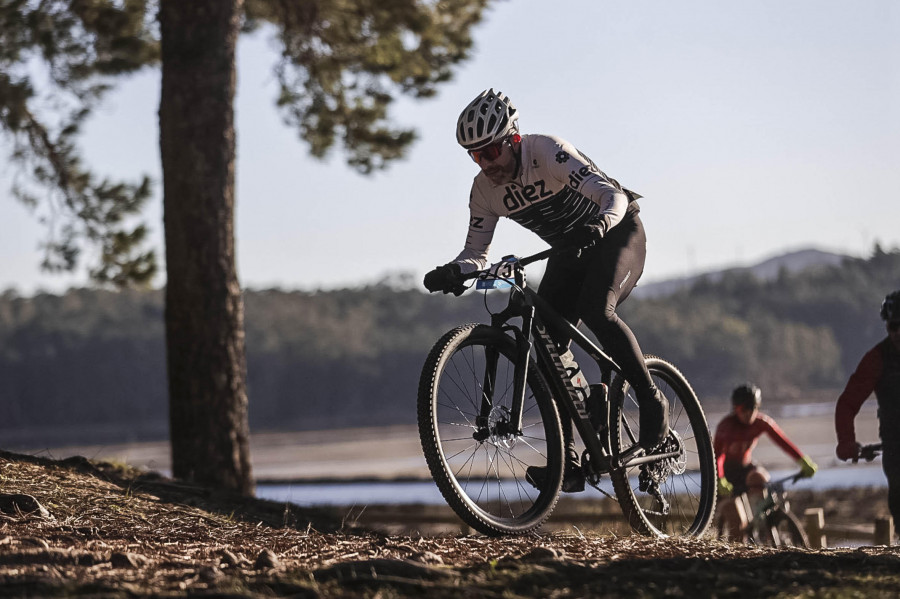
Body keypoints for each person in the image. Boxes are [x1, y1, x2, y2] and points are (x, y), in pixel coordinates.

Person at [422, 88, 668, 493]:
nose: (486, 164)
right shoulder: (483, 191)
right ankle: (567, 460)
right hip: (570, 250)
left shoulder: (548, 152)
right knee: (548, 340)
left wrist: (600, 224)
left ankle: (651, 398)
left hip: (616, 231)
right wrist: (454, 271)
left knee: (596, 310)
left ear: (513, 139)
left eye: (491, 152)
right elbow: (476, 252)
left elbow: (614, 196)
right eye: (475, 156)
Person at [714, 383, 818, 540]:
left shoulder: (760, 422)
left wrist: (802, 460)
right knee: (738, 525)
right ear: (736, 409)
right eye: (745, 410)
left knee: (761, 479)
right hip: (724, 474)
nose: (750, 414)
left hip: (745, 467)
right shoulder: (726, 426)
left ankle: (763, 525)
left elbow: (782, 441)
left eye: (754, 408)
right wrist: (720, 478)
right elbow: (717, 456)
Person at [835, 290, 900, 523]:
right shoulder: (877, 359)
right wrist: (846, 441)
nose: (899, 333)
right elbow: (847, 404)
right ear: (887, 326)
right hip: (896, 445)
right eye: (894, 326)